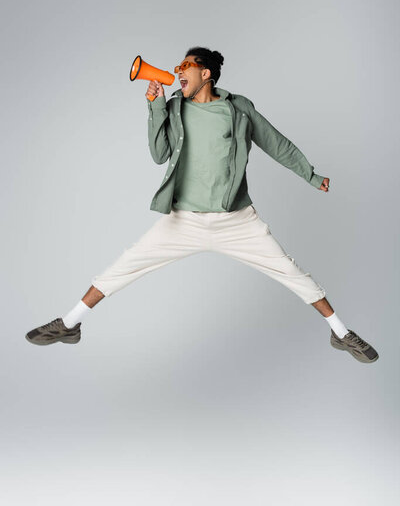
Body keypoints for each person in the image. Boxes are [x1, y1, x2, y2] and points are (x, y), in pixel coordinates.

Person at [25, 47, 379, 364]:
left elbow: (277, 143)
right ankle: (69, 325)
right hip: (184, 221)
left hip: (236, 220)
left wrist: (311, 176)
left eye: (186, 66)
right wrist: (154, 106)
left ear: (205, 74)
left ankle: (341, 332)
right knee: (125, 265)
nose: (178, 71)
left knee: (291, 273)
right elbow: (158, 153)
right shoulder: (175, 107)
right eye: (178, 67)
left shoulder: (238, 109)